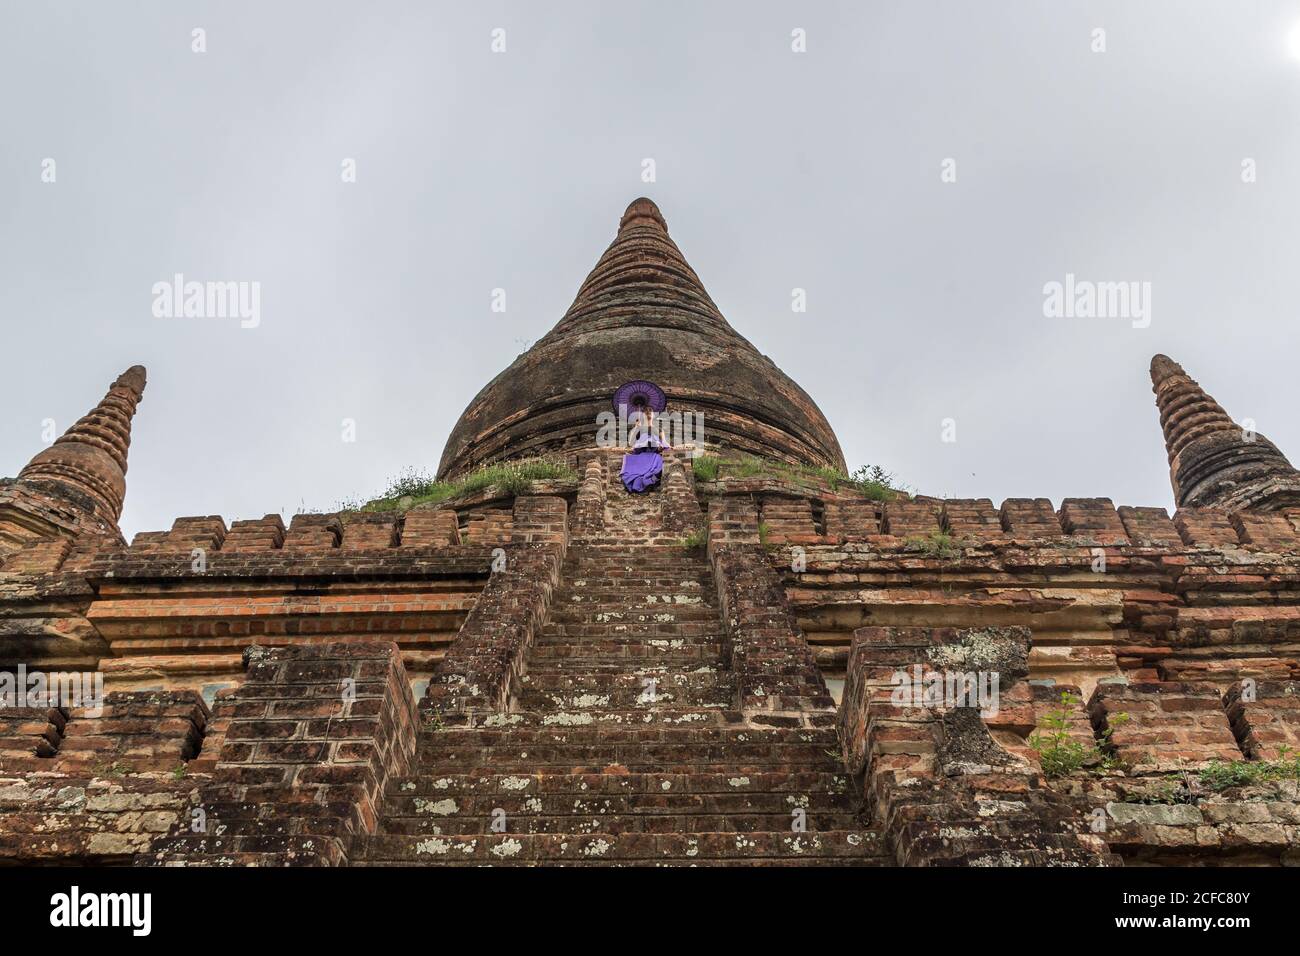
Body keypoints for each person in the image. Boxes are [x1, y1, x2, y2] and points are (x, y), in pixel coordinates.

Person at [619, 407, 669, 493]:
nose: (648, 413)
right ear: (643, 415)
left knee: (658, 465)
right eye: (646, 412)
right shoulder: (640, 429)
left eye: (650, 411)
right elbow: (631, 443)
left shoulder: (659, 429)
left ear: (653, 415)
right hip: (642, 455)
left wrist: (662, 446)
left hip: (654, 455)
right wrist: (636, 428)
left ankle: (649, 483)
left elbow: (665, 443)